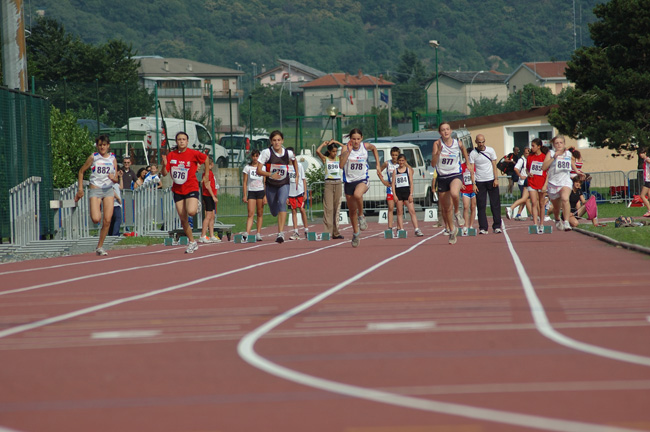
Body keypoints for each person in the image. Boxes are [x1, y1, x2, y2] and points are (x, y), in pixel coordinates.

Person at [161, 131, 208, 253]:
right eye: (179, 139)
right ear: (176, 142)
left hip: (191, 187)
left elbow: (206, 159)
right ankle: (192, 242)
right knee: (183, 218)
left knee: (191, 212)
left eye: (183, 139)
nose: (181, 141)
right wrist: (164, 164)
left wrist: (206, 174)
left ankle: (195, 203)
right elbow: (164, 173)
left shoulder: (193, 153)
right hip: (178, 190)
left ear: (187, 141)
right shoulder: (171, 155)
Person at [339, 128, 384, 248]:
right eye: (353, 139)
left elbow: (374, 148)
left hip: (362, 180)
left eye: (358, 139)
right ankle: (355, 233)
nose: (356, 141)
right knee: (352, 211)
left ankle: (362, 216)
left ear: (361, 138)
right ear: (350, 139)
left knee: (358, 195)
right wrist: (348, 152)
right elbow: (341, 165)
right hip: (349, 182)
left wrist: (378, 165)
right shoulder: (345, 148)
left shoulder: (365, 147)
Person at [74, 135, 118, 256]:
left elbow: (116, 179)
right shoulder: (94, 157)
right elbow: (81, 171)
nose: (102, 147)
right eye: (100, 145)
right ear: (97, 146)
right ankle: (96, 209)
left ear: (108, 146)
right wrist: (80, 189)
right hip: (96, 189)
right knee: (96, 219)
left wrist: (113, 178)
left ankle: (100, 246)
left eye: (104, 145)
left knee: (107, 220)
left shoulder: (113, 158)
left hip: (108, 190)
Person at [256, 130, 300, 243]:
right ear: (271, 141)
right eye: (274, 140)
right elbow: (258, 170)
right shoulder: (266, 153)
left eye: (279, 140)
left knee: (282, 203)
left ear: (282, 141)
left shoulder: (288, 153)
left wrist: (297, 174)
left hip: (284, 183)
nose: (277, 142)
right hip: (271, 185)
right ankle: (275, 212)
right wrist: (271, 174)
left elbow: (294, 160)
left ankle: (280, 234)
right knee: (274, 211)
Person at [432, 122, 471, 244]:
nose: (445, 132)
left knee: (455, 193)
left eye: (447, 129)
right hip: (442, 177)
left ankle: (457, 213)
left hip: (455, 174)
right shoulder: (437, 144)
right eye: (443, 130)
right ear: (440, 132)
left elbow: (464, 149)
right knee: (446, 208)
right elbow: (433, 164)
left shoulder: (457, 143)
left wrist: (468, 163)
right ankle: (452, 231)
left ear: (451, 130)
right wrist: (438, 152)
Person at [542, 135, 583, 232]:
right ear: (554, 145)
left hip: (565, 181)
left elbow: (571, 162)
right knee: (556, 208)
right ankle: (557, 219)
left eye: (561, 143)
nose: (559, 145)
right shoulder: (551, 153)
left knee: (565, 198)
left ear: (564, 144)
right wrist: (554, 158)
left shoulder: (568, 153)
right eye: (556, 143)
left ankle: (566, 222)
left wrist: (577, 171)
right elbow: (543, 167)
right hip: (553, 183)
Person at [468, 133, 501, 235]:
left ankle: (497, 226)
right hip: (479, 181)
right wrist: (473, 184)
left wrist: (496, 179)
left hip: (491, 180)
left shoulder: (490, 150)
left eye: (483, 142)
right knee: (481, 205)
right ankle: (483, 227)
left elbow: (494, 165)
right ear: (476, 142)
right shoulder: (473, 153)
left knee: (495, 204)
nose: (481, 144)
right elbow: (472, 170)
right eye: (479, 142)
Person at [316, 140, 344, 239]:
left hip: (338, 183)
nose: (335, 153)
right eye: (333, 151)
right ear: (329, 151)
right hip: (328, 183)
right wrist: (323, 144)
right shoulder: (325, 159)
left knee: (336, 208)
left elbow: (345, 149)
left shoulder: (338, 158)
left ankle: (336, 232)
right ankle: (327, 232)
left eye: (336, 151)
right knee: (329, 208)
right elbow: (317, 151)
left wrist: (337, 142)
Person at [391, 153, 424, 237]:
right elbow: (393, 184)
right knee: (399, 212)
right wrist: (394, 195)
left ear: (405, 161)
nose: (401, 162)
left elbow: (411, 183)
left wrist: (411, 194)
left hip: (407, 192)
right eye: (400, 160)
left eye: (402, 160)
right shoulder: (395, 171)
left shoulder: (408, 170)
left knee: (412, 211)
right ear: (398, 161)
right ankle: (401, 229)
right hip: (398, 193)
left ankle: (416, 229)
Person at [526, 138, 549, 234]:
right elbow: (527, 169)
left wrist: (545, 185)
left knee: (541, 204)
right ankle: (535, 224)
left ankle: (542, 224)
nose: (531, 148)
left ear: (539, 146)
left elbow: (548, 172)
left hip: (542, 183)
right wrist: (528, 173)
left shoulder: (544, 157)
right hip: (532, 183)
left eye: (533, 146)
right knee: (534, 203)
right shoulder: (530, 157)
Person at [242, 149, 266, 241]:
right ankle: (247, 232)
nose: (255, 158)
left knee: (259, 213)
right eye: (254, 156)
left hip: (260, 191)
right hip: (251, 192)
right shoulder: (247, 168)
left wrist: (265, 196)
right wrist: (245, 195)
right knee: (250, 213)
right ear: (251, 157)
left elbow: (265, 182)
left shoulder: (262, 168)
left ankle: (258, 233)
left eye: (257, 156)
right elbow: (244, 182)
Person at [287, 147, 309, 240]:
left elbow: (303, 180)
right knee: (293, 210)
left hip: (299, 190)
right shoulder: (286, 167)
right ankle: (296, 231)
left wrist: (305, 193)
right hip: (290, 192)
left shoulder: (299, 166)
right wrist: (286, 196)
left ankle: (306, 230)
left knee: (302, 209)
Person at [379, 146, 401, 237]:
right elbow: (378, 171)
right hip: (390, 189)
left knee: (399, 209)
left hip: (400, 188)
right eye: (393, 155)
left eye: (396, 155)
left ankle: (400, 228)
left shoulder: (402, 163)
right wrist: (383, 181)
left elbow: (410, 170)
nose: (394, 157)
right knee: (390, 208)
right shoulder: (387, 163)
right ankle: (390, 227)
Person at [507, 147, 532, 221]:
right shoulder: (522, 160)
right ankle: (532, 214)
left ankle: (518, 213)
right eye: (526, 153)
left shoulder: (530, 160)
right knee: (526, 199)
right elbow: (516, 168)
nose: (528, 155)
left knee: (524, 199)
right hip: (522, 182)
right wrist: (521, 176)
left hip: (529, 182)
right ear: (524, 153)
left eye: (529, 153)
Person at [199, 157, 220, 243]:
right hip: (208, 195)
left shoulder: (210, 173)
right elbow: (207, 186)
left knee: (212, 216)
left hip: (211, 195)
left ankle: (211, 235)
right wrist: (213, 196)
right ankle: (203, 235)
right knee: (208, 216)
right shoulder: (207, 174)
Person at [460, 160, 477, 236]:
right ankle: (466, 225)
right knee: (466, 207)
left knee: (473, 207)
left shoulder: (474, 166)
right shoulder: (462, 166)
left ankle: (471, 225)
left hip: (473, 190)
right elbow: (459, 175)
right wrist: (460, 184)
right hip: (465, 190)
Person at [108, 164, 123, 236]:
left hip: (116, 203)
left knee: (113, 219)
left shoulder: (116, 182)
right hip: (114, 203)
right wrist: (118, 198)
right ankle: (115, 234)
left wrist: (121, 178)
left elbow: (121, 187)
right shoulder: (111, 181)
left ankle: (111, 233)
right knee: (118, 219)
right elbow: (112, 190)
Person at [639, 147, 650, 217]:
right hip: (648, 180)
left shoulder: (647, 159)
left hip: (648, 180)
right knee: (649, 196)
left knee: (642, 195)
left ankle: (649, 210)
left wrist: (647, 160)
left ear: (645, 153)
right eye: (640, 154)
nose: (641, 155)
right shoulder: (645, 160)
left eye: (642, 153)